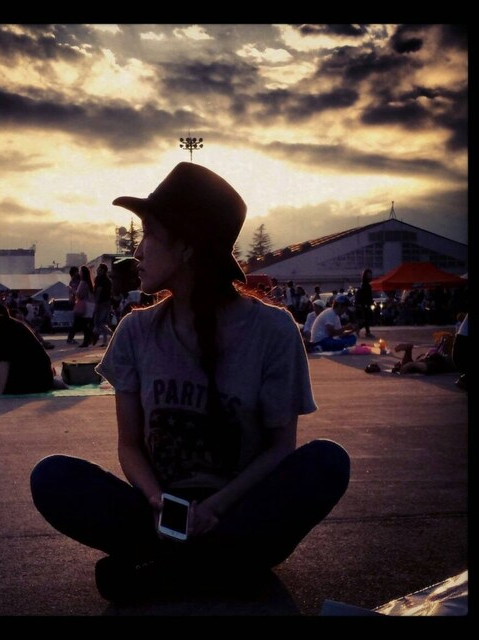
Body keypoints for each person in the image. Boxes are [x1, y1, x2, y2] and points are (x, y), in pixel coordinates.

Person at [30, 162, 350, 604]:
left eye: (149, 234)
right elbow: (130, 446)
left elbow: (280, 447)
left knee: (327, 462)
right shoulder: (136, 331)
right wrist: (157, 501)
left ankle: (167, 568)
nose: (137, 252)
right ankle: (215, 568)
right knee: (52, 477)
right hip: (157, 512)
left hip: (239, 511)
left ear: (186, 248)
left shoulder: (273, 330)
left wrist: (216, 509)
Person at [0, 298, 54, 395]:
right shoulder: (5, 323)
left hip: (36, 378)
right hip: (42, 375)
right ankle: (49, 383)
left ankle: (47, 384)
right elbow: (1, 363)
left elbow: (4, 363)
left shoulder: (2, 329)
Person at [67, 266, 94, 347]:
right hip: (87, 305)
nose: (79, 273)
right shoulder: (88, 283)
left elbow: (79, 295)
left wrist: (71, 290)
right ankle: (88, 339)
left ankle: (89, 338)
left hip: (82, 306)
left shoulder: (82, 283)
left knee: (81, 323)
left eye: (80, 271)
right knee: (84, 323)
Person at [92, 263, 112, 347]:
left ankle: (112, 334)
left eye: (99, 269)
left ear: (102, 270)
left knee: (99, 322)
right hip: (107, 302)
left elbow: (98, 291)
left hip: (101, 303)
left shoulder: (99, 279)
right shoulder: (108, 280)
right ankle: (105, 341)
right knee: (103, 322)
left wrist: (96, 303)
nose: (97, 270)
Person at [354, 269, 375, 338]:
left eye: (370, 275)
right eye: (369, 275)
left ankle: (365, 331)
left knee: (366, 319)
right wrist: (368, 303)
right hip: (363, 304)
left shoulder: (366, 285)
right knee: (366, 319)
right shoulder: (365, 285)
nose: (370, 276)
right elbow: (366, 296)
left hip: (364, 304)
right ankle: (362, 331)